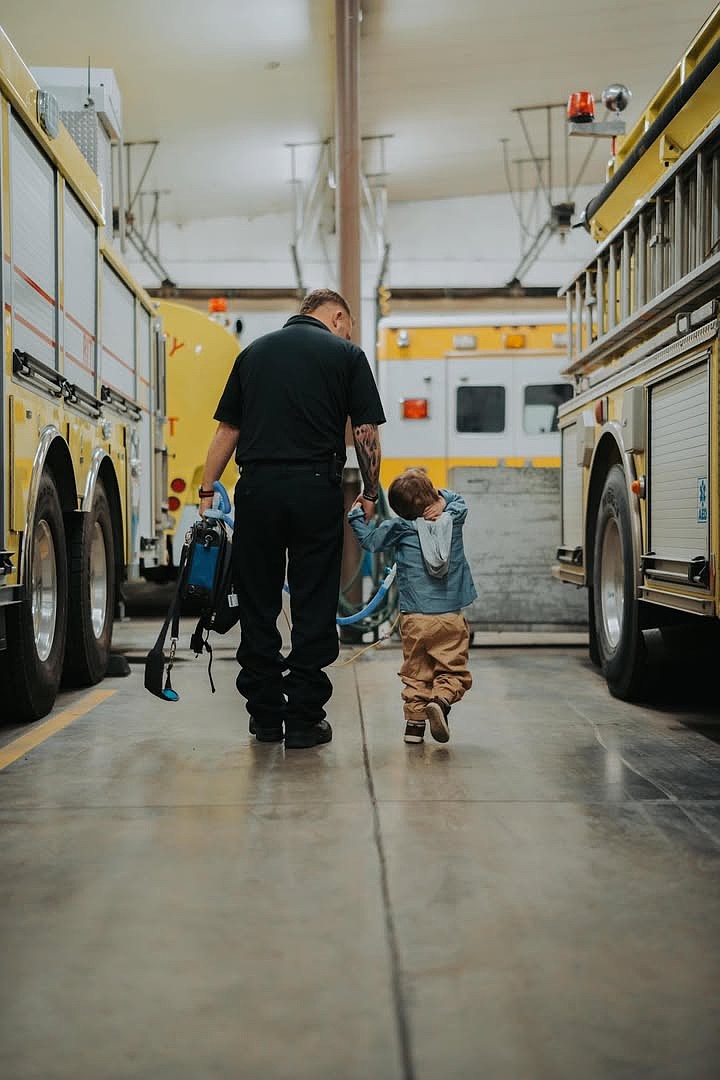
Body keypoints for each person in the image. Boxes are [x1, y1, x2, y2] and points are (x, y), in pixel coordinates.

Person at [198, 289, 385, 749]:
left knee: (258, 601)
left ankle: (264, 717)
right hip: (315, 488)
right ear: (338, 317)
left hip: (257, 489)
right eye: (349, 324)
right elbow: (365, 431)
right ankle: (303, 719)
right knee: (313, 600)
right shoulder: (347, 354)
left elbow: (228, 430)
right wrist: (370, 491)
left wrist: (206, 489)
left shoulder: (253, 353)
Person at [348, 468, 476, 744]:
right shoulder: (452, 518)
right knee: (452, 670)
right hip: (449, 616)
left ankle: (414, 729)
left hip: (414, 618)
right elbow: (459, 501)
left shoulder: (399, 528)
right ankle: (440, 703)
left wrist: (356, 516)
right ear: (434, 497)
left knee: (416, 671)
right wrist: (441, 499)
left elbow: (369, 541)